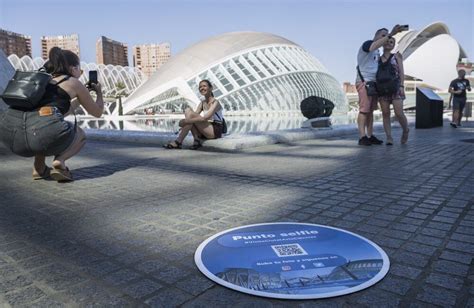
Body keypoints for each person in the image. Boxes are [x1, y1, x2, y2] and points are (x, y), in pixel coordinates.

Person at [0, 47, 104, 182]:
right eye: (80, 69)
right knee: (80, 135)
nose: (81, 72)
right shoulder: (74, 83)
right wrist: (99, 93)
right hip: (38, 133)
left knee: (40, 123)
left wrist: (79, 99)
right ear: (72, 68)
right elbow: (97, 112)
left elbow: (58, 113)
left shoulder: (40, 81)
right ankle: (60, 161)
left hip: (11, 137)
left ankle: (39, 168)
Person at [356, 25, 405, 146]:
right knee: (364, 110)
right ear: (376, 35)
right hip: (364, 82)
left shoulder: (378, 52)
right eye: (383, 35)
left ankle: (370, 135)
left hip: (374, 84)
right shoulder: (368, 44)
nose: (386, 38)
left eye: (387, 36)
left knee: (370, 111)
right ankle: (362, 136)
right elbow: (374, 46)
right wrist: (391, 33)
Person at [164, 80, 224, 150]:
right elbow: (192, 115)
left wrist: (185, 121)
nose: (202, 88)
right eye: (200, 87)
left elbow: (205, 118)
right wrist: (187, 121)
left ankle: (179, 142)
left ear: (211, 88)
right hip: (206, 129)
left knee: (190, 117)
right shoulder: (202, 103)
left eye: (204, 86)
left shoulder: (215, 102)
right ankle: (196, 140)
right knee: (188, 110)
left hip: (215, 130)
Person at [378, 37, 409, 145]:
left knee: (399, 113)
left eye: (391, 42)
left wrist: (401, 86)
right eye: (387, 41)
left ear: (393, 45)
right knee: (385, 113)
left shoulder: (396, 56)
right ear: (382, 43)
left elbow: (401, 72)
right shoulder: (377, 58)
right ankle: (389, 137)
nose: (388, 43)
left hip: (396, 87)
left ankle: (405, 130)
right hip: (382, 88)